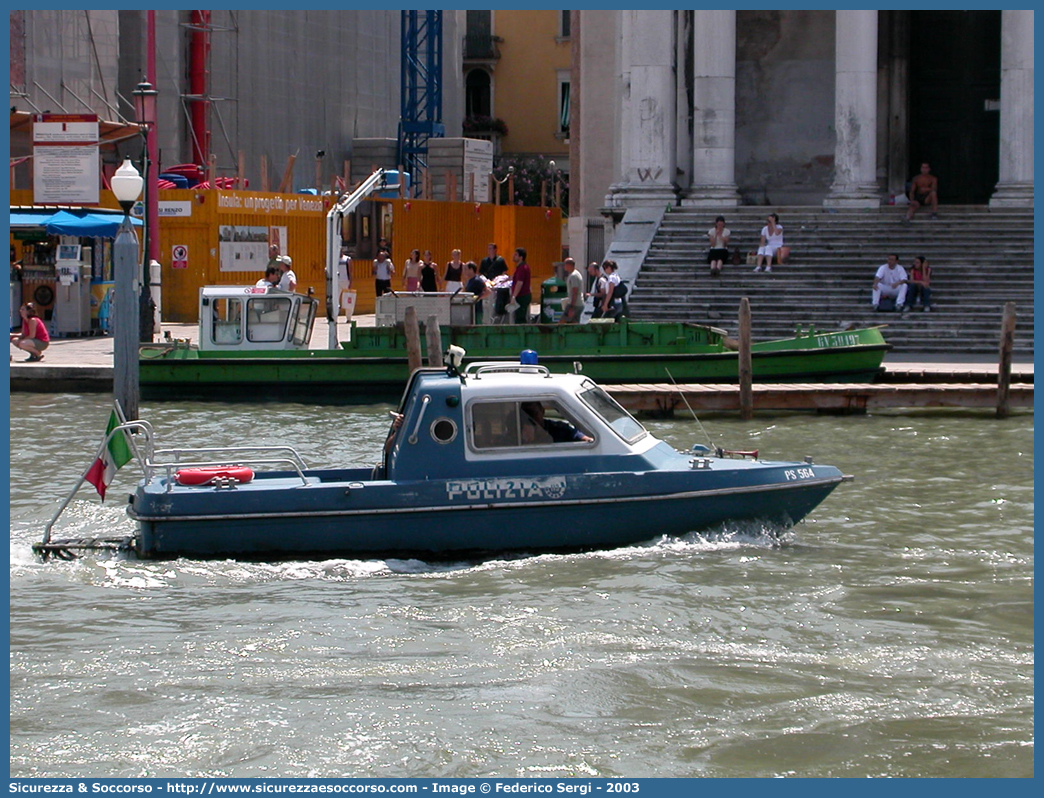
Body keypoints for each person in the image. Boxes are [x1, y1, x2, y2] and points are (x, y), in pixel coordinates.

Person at [520, 401, 593, 444]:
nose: (531, 417)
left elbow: (575, 434)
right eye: (527, 414)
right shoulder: (517, 431)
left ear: (542, 411)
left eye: (534, 413)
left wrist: (586, 439)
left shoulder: (557, 428)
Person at [509, 247, 532, 324]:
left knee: (520, 318)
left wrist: (514, 296)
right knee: (518, 316)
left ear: (521, 257)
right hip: (521, 296)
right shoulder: (519, 267)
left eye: (516, 255)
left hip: (522, 296)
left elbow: (519, 283)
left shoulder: (523, 268)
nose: (513, 256)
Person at [559, 257, 585, 323]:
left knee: (562, 322)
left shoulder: (574, 276)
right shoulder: (576, 274)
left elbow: (575, 291)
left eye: (565, 264)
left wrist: (572, 307)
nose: (564, 266)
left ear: (569, 265)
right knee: (574, 323)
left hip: (575, 304)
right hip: (579, 304)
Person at [337, 248, 353, 316]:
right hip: (337, 282)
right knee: (335, 300)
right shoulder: (334, 259)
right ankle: (335, 316)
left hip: (346, 281)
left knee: (347, 300)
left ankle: (348, 317)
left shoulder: (347, 259)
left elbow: (350, 271)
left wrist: (351, 282)